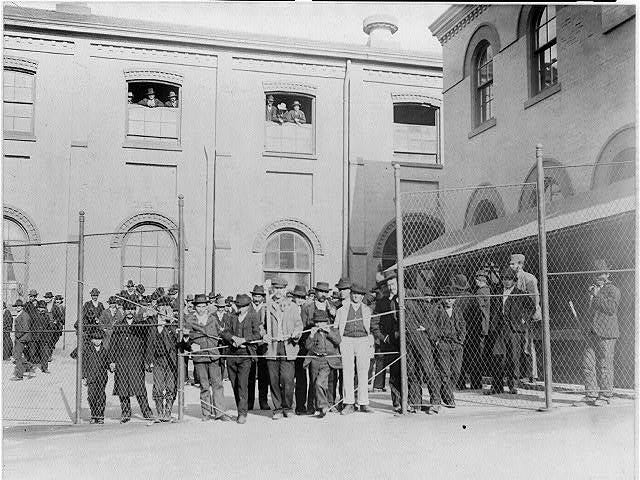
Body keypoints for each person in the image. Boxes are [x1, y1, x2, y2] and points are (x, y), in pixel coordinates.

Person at [574, 260, 621, 407]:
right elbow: (586, 310)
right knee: (587, 364)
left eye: (601, 273)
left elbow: (611, 309)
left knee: (605, 364)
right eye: (596, 274)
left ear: (607, 274)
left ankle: (605, 395)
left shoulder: (613, 290)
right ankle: (591, 394)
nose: (598, 276)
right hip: (590, 332)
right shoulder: (590, 289)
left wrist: (597, 295)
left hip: (606, 333)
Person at [108, 301, 154, 423]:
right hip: (121, 360)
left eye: (132, 309)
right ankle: (125, 413)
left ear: (135, 310)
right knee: (122, 388)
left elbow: (148, 337)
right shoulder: (118, 325)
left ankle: (146, 412)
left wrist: (149, 316)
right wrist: (112, 360)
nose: (130, 312)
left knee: (139, 387)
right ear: (123, 310)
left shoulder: (140, 325)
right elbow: (112, 344)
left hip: (136, 361)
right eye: (127, 309)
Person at [220, 294, 262, 424]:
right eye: (238, 305)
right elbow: (225, 332)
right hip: (232, 354)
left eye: (242, 306)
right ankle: (240, 407)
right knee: (234, 383)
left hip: (245, 354)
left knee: (242, 383)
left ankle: (242, 413)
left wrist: (243, 339)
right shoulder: (231, 317)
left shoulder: (253, 317)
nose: (240, 308)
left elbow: (257, 334)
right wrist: (233, 338)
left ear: (248, 306)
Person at [186, 294, 229, 421]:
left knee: (218, 384)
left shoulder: (212, 319)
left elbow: (221, 334)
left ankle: (220, 412)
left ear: (207, 306)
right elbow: (185, 339)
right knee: (204, 386)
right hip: (199, 357)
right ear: (195, 307)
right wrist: (190, 345)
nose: (201, 309)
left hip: (213, 356)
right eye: (198, 306)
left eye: (204, 306)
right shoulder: (190, 321)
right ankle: (206, 412)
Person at [264, 283, 303, 419]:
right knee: (274, 379)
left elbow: (299, 325)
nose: (279, 291)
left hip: (288, 346)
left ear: (285, 290)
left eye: (281, 289)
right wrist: (264, 334)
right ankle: (278, 409)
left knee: (287, 379)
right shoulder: (267, 306)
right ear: (272, 290)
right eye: (276, 289)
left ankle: (287, 407)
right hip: (272, 347)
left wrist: (296, 333)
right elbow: (260, 326)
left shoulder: (292, 307)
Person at [335, 282, 374, 414]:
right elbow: (335, 327)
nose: (356, 296)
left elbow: (371, 328)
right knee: (348, 371)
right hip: (346, 340)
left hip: (362, 340)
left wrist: (370, 342)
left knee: (363, 371)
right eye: (354, 293)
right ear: (351, 294)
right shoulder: (342, 309)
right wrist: (340, 342)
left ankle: (363, 403)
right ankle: (349, 403)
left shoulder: (367, 310)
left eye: (359, 294)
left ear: (363, 296)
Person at [496, 267, 535, 394]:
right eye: (504, 279)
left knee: (514, 357)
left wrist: (524, 319)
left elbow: (531, 307)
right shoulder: (497, 292)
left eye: (509, 279)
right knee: (498, 357)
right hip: (500, 328)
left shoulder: (520, 293)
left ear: (514, 280)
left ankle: (513, 384)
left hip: (514, 329)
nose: (506, 282)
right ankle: (497, 385)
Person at [298, 281, 335, 415]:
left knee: (329, 379)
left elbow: (335, 328)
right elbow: (302, 327)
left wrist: (332, 313)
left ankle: (329, 404)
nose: (323, 294)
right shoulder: (307, 307)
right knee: (313, 380)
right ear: (316, 292)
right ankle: (311, 406)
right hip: (312, 345)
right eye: (321, 291)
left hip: (328, 347)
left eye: (326, 292)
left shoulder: (332, 307)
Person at [405, 286, 442, 414]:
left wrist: (426, 327)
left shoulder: (414, 296)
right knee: (412, 371)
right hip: (408, 339)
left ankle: (435, 402)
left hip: (421, 338)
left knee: (428, 369)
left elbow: (429, 315)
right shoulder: (395, 299)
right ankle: (416, 402)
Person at [145, 296, 180, 422]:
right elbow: (140, 326)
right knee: (158, 386)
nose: (165, 309)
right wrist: (145, 314)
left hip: (170, 360)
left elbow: (178, 339)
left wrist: (170, 323)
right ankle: (159, 412)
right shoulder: (152, 321)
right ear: (157, 308)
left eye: (167, 306)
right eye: (162, 307)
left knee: (171, 386)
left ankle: (168, 411)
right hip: (157, 359)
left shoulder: (173, 323)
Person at [509, 253, 541, 382]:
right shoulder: (512, 278)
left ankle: (531, 374)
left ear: (520, 264)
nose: (511, 266)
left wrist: (529, 314)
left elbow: (534, 298)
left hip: (527, 314)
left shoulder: (529, 278)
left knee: (528, 344)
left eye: (513, 263)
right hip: (515, 315)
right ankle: (520, 373)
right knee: (518, 344)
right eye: (510, 263)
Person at [305, 307, 342, 417]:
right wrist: (311, 335)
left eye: (322, 322)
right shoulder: (312, 332)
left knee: (320, 383)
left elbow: (338, 340)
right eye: (317, 322)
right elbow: (307, 346)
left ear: (327, 321)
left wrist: (329, 331)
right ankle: (314, 406)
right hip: (315, 360)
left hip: (326, 360)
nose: (320, 324)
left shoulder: (331, 330)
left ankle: (323, 405)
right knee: (314, 383)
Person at [372, 271, 401, 410]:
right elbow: (374, 324)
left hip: (406, 342)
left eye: (393, 284)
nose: (391, 287)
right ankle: (397, 402)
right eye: (389, 285)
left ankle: (412, 401)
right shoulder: (381, 303)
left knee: (410, 372)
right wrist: (384, 338)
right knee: (394, 374)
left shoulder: (403, 299)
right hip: (391, 344)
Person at [434, 285, 466, 407]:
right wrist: (437, 340)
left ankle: (446, 391)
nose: (449, 300)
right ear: (443, 298)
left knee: (456, 371)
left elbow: (463, 324)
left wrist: (461, 339)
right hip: (443, 343)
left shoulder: (457, 310)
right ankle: (448, 397)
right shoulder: (437, 309)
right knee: (445, 371)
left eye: (452, 298)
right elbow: (433, 324)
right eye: (447, 298)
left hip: (456, 344)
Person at [451, 274, 483, 390]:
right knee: (474, 357)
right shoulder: (472, 297)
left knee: (460, 358)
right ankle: (476, 383)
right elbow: (478, 315)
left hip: (459, 332)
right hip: (473, 331)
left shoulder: (454, 299)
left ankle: (460, 383)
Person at [74, 329, 109, 424]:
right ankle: (94, 414)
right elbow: (84, 364)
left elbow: (107, 363)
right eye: (95, 339)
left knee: (101, 395)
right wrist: (84, 376)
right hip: (91, 376)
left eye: (99, 339)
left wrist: (110, 366)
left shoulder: (104, 350)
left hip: (102, 377)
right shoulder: (87, 350)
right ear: (91, 340)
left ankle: (100, 415)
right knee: (92, 396)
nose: (97, 341)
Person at [248, 284, 270, 411]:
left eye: (259, 296)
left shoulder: (267, 309)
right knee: (250, 374)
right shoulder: (248, 308)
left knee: (263, 374)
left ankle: (263, 401)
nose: (257, 298)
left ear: (263, 297)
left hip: (262, 345)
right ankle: (250, 402)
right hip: (250, 344)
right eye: (255, 296)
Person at [10, 299, 33, 380]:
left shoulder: (24, 315)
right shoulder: (19, 314)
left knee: (17, 357)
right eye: (16, 306)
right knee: (17, 355)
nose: (17, 307)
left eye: (19, 306)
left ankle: (20, 375)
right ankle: (29, 366)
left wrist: (18, 336)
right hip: (20, 337)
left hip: (22, 338)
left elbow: (25, 329)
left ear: (22, 307)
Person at [32, 300, 51, 373]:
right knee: (32, 352)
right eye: (40, 307)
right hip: (35, 336)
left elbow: (49, 327)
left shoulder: (47, 316)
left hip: (44, 337)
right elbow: (31, 325)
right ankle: (31, 367)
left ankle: (44, 368)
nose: (42, 309)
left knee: (44, 353)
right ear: (38, 308)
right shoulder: (34, 315)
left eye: (43, 307)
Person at [43, 292, 64, 360]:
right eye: (45, 297)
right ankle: (44, 356)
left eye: (48, 298)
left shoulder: (55, 307)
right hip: (45, 326)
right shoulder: (43, 306)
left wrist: (56, 321)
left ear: (51, 298)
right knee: (45, 341)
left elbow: (60, 316)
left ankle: (49, 356)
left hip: (53, 327)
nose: (46, 299)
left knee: (51, 342)